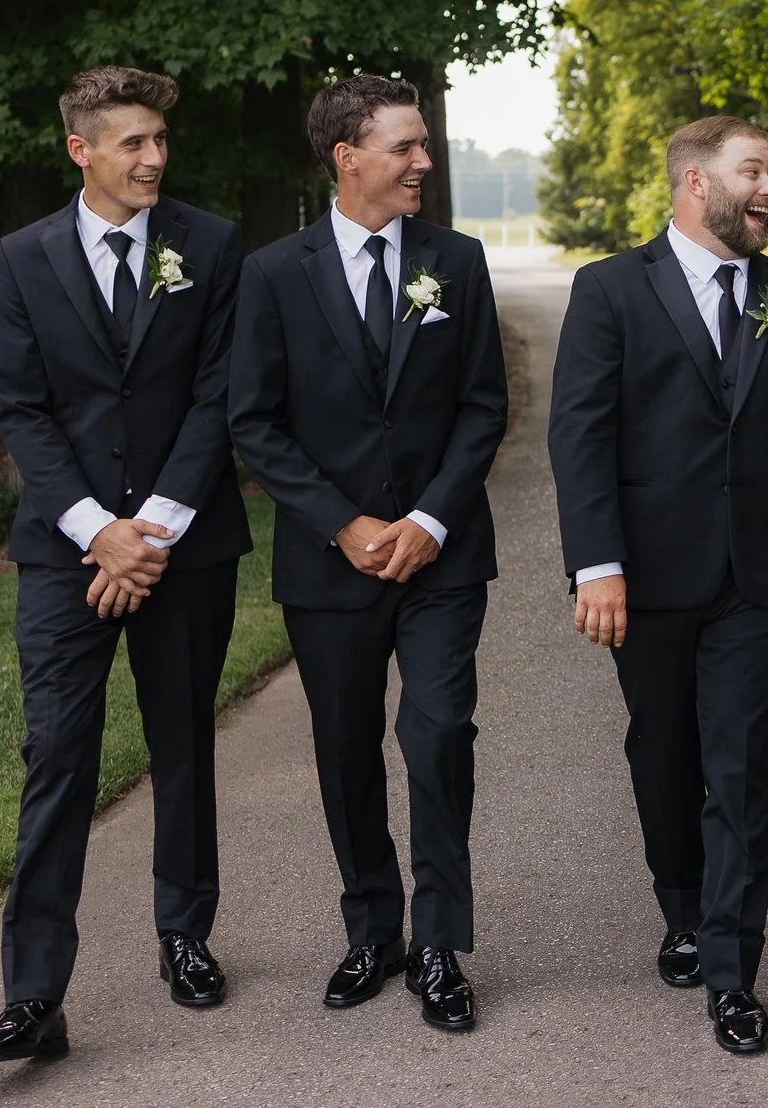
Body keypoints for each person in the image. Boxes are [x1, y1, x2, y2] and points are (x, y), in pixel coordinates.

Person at [546, 116, 768, 1056]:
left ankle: (732, 968)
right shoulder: (608, 290)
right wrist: (596, 563)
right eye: (752, 172)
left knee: (738, 764)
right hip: (645, 576)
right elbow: (580, 435)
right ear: (692, 184)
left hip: (759, 577)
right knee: (661, 749)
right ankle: (680, 905)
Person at [0, 66, 250, 1064]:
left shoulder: (211, 244)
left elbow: (221, 393)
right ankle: (34, 992)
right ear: (80, 149)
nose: (154, 157)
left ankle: (186, 935)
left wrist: (154, 530)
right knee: (56, 755)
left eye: (160, 140)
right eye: (131, 141)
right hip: (66, 552)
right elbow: (23, 408)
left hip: (186, 541)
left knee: (183, 744)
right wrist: (98, 530)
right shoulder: (23, 257)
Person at [229, 74, 508, 1032]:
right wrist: (342, 522)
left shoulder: (457, 263)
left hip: (443, 556)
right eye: (405, 147)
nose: (423, 161)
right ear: (347, 158)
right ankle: (370, 928)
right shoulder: (272, 275)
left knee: (437, 736)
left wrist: (429, 518)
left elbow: (483, 407)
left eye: (424, 145)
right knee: (344, 749)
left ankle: (438, 944)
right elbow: (255, 422)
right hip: (328, 564)